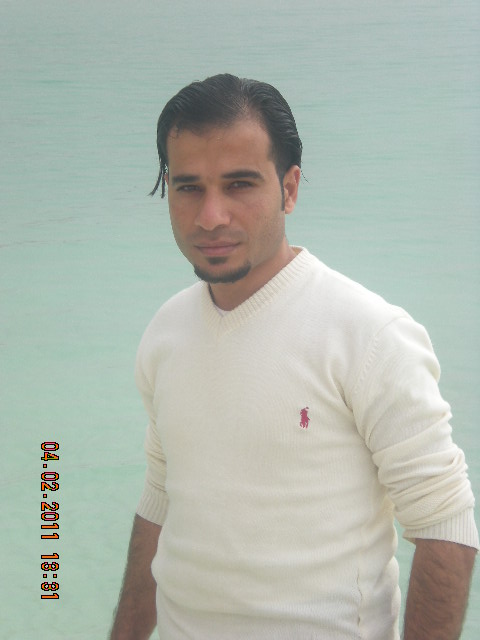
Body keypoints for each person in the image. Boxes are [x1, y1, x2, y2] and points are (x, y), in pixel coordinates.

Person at [109, 73, 478, 640]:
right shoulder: (166, 332)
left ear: (290, 188)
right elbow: (161, 499)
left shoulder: (368, 335)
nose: (211, 216)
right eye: (188, 187)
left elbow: (445, 524)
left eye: (239, 184)